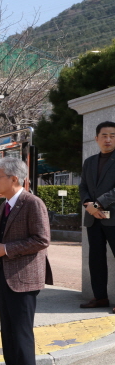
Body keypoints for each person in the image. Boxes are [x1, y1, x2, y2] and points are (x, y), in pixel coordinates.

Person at [0, 158, 53, 365]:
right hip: (5, 276)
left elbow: (41, 240)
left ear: (14, 179)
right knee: (8, 334)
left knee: (21, 333)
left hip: (24, 279)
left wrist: (7, 249)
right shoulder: (6, 205)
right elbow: (7, 239)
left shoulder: (33, 203)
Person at [77, 121, 115, 309]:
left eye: (112, 136)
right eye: (104, 136)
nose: (108, 139)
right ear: (97, 138)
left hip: (114, 219)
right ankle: (100, 297)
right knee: (96, 260)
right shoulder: (89, 161)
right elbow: (82, 186)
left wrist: (98, 203)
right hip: (93, 219)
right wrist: (88, 204)